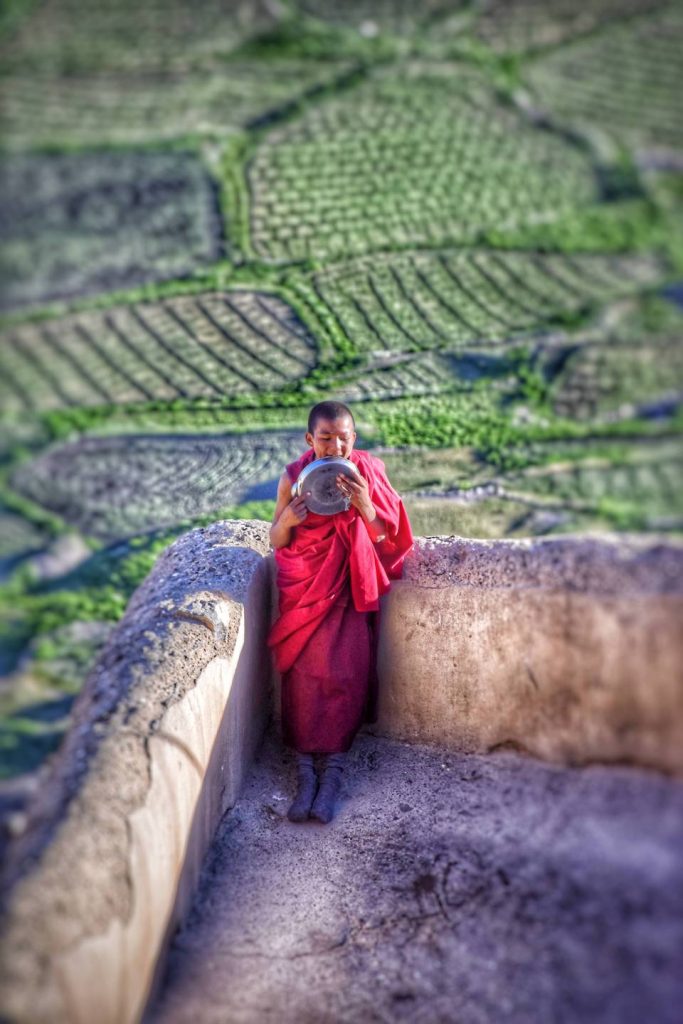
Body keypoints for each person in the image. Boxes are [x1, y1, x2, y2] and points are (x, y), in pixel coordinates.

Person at [268, 400, 413, 824]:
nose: (334, 446)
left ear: (355, 438)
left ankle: (332, 776)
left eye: (342, 437)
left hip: (347, 591)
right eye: (325, 438)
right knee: (304, 680)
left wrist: (365, 504)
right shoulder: (294, 478)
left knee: (345, 675)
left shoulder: (367, 471)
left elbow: (387, 538)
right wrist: (290, 520)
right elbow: (276, 541)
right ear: (309, 440)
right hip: (304, 591)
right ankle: (304, 777)